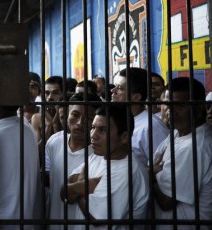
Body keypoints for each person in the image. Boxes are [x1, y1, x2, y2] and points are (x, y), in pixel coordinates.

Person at [61, 104, 149, 229]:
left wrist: (76, 188)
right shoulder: (98, 155)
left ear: (124, 137)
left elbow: (96, 218)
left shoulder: (126, 171)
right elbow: (63, 192)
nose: (93, 135)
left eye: (102, 130)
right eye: (93, 128)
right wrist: (84, 186)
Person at [152, 77, 212, 229]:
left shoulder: (194, 146)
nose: (170, 111)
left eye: (180, 105)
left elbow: (166, 202)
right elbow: (152, 163)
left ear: (199, 107)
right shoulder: (176, 133)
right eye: (167, 105)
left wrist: (152, 177)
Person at [45, 92, 100, 229]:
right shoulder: (54, 143)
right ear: (67, 115)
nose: (80, 123)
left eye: (88, 118)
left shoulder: (100, 153)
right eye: (75, 115)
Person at [111, 67, 169, 168]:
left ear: (136, 97)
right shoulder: (120, 121)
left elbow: (163, 167)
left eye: (119, 88)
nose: (113, 90)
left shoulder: (152, 126)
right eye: (115, 86)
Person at [31, 76, 65, 150]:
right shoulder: (37, 118)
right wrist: (49, 125)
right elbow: (38, 150)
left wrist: (55, 124)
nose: (50, 97)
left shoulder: (68, 116)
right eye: (47, 93)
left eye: (55, 93)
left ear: (63, 94)